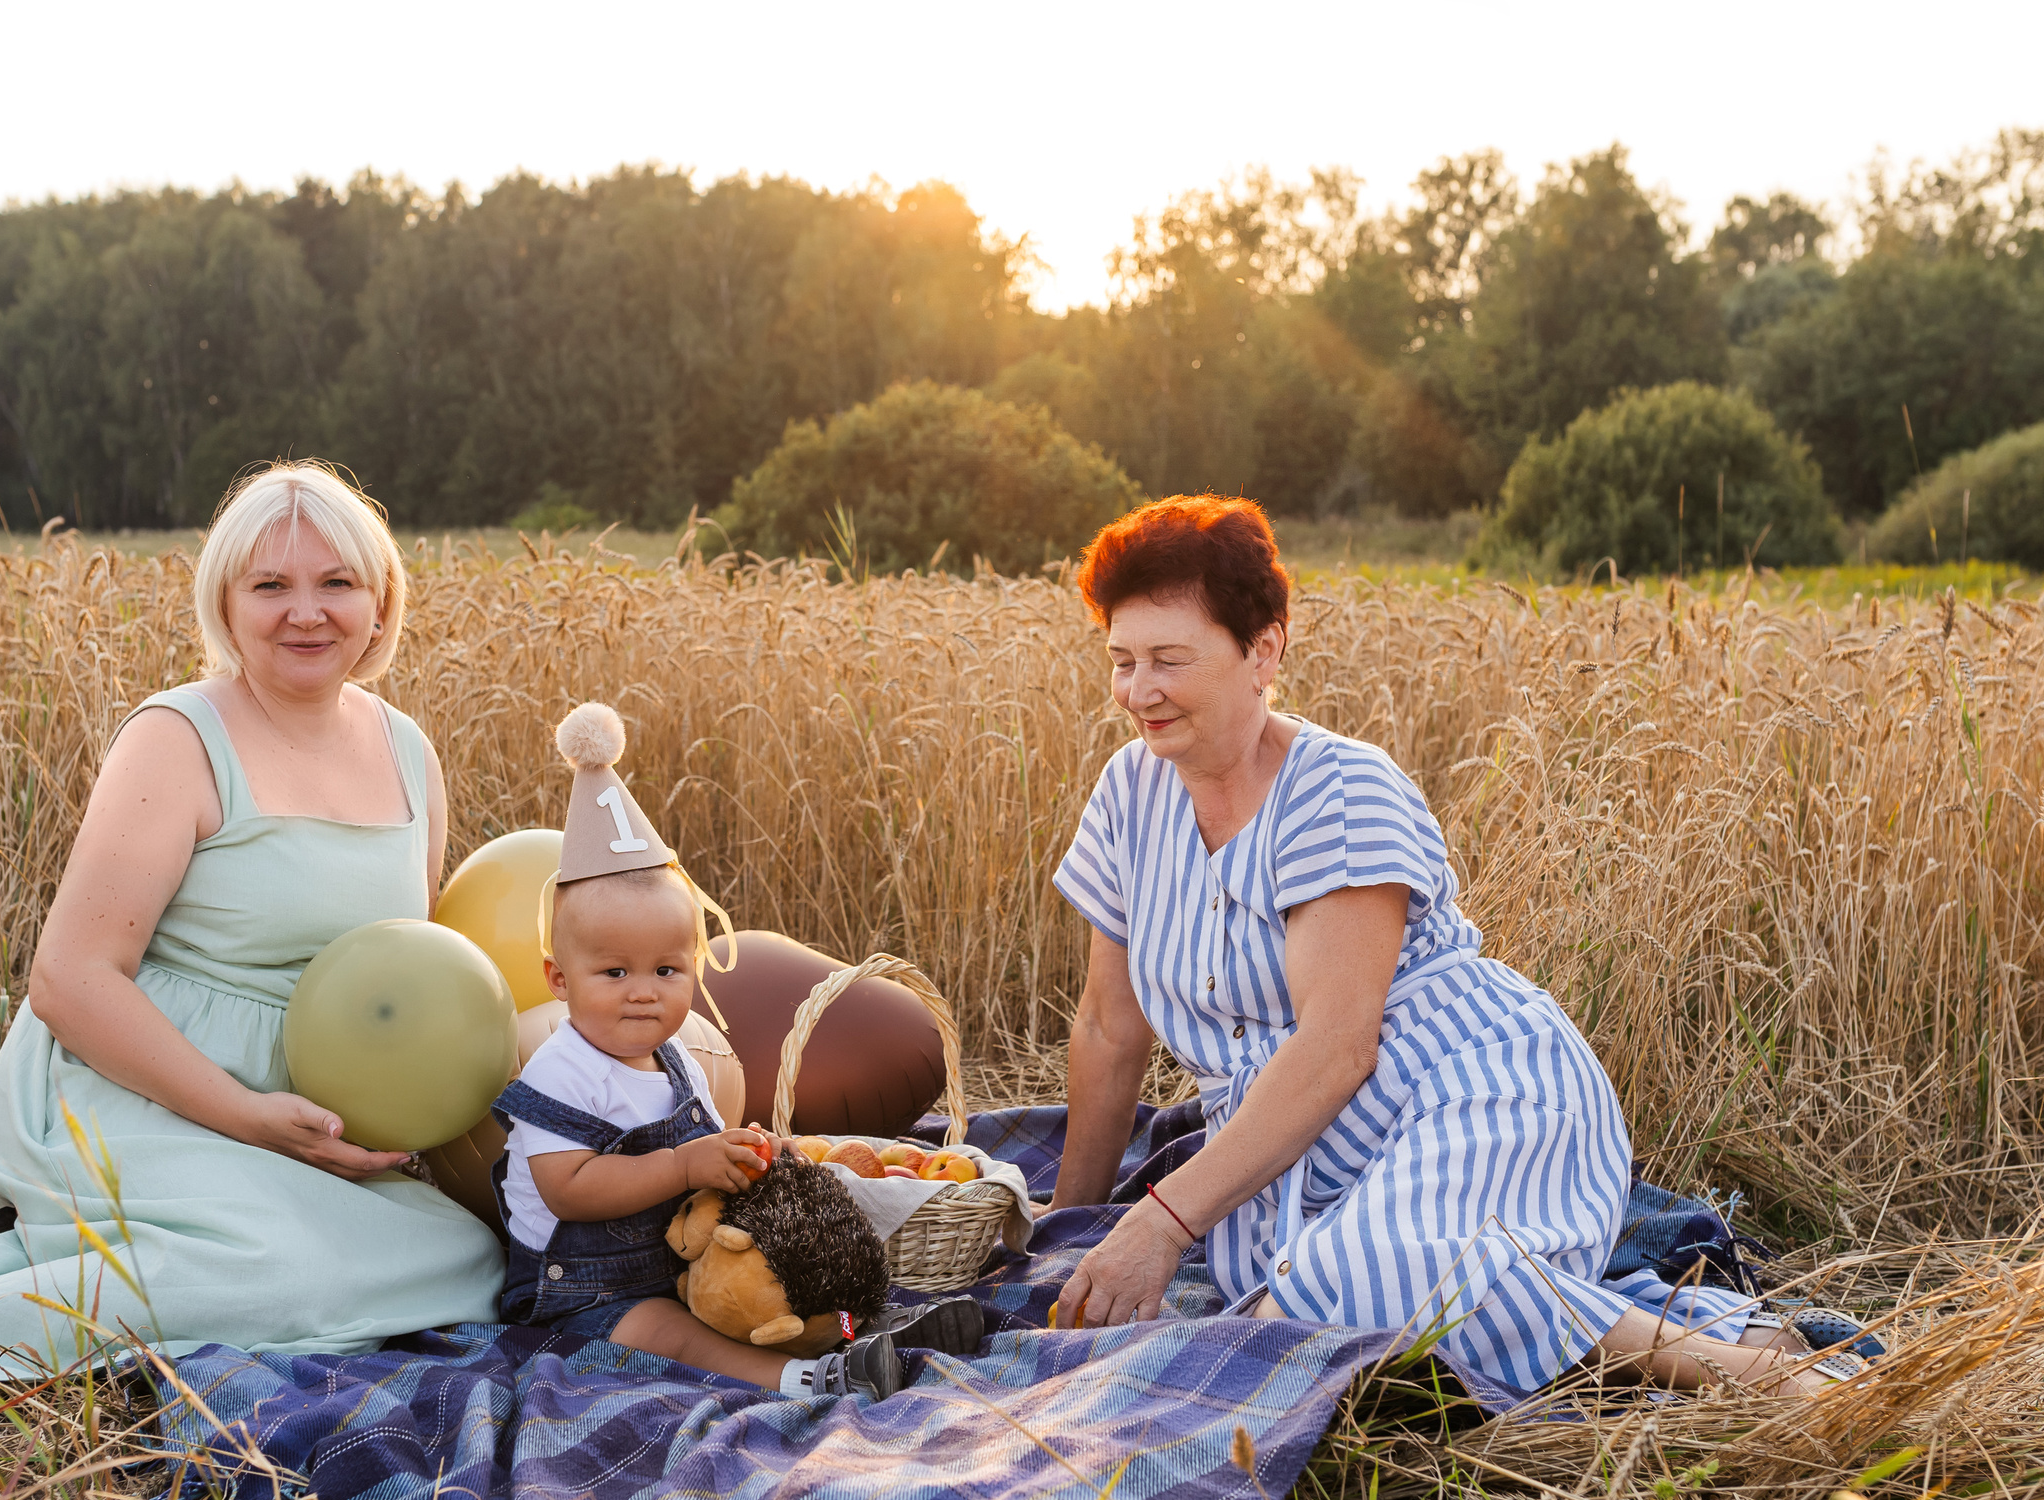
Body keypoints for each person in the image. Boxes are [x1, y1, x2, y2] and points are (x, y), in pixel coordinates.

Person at [0, 462, 507, 1415]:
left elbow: (413, 970)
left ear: (380, 604)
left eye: (337, 583)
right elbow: (72, 981)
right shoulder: (178, 738)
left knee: (464, 1260)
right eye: (271, 585)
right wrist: (249, 1118)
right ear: (226, 602)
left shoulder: (408, 751)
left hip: (315, 1099)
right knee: (284, 1273)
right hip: (140, 1082)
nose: (307, 612)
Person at [1046, 495, 1855, 1398]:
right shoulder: (1129, 793)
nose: (1137, 690)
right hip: (1291, 1158)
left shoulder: (1339, 788)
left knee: (1324, 1309)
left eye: (1168, 659)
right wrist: (1072, 1230)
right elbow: (1109, 1028)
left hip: (1470, 1089)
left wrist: (1160, 1221)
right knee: (1293, 1321)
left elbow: (1336, 1047)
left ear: (1263, 649)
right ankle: (1663, 1326)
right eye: (1121, 660)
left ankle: (1740, 1373)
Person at [492, 703, 981, 1400]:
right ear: (559, 980)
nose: (643, 993)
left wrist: (740, 1154)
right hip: (582, 1294)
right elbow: (566, 1188)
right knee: (673, 1329)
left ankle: (858, 1322)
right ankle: (807, 1374)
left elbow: (704, 1150)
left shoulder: (675, 1058)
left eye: (667, 970)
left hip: (681, 1253)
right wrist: (684, 1163)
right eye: (613, 972)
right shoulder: (561, 1070)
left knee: (790, 1257)